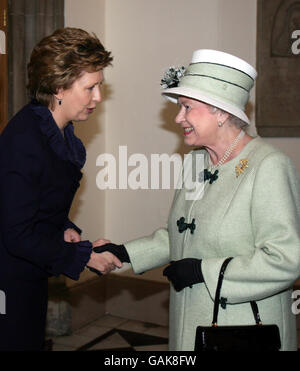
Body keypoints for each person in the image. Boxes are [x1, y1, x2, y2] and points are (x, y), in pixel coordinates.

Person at [93, 49, 300, 351]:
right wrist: (125, 253)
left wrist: (204, 271)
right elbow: (183, 236)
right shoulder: (197, 162)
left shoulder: (268, 166)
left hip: (243, 332)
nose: (178, 118)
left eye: (187, 107)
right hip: (191, 325)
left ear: (221, 112)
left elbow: (286, 260)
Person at [0, 27, 122, 351]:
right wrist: (84, 257)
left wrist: (63, 229)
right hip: (8, 278)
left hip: (28, 274)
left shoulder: (57, 132)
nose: (97, 98)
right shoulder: (25, 139)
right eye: (90, 88)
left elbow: (37, 205)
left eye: (100, 87)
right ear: (58, 87)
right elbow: (16, 233)